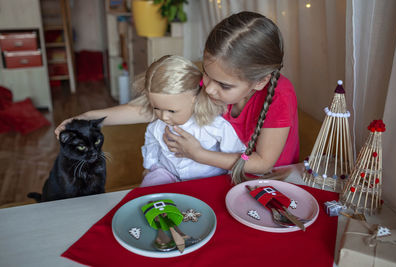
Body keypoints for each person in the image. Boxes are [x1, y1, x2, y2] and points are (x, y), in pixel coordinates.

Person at [55, 11, 299, 185]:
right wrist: (88, 117)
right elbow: (149, 109)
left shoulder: (280, 96)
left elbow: (263, 163)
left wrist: (198, 154)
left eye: (224, 85)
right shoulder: (214, 82)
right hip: (226, 179)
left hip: (271, 181)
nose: (209, 89)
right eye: (206, 73)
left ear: (260, 81)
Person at [134, 55, 245, 186]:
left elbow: (235, 152)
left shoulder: (215, 125)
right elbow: (151, 142)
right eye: (157, 108)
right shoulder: (158, 126)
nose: (163, 117)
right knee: (149, 189)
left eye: (171, 111)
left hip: (206, 178)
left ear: (194, 99)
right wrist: (149, 166)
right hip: (167, 172)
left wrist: (231, 177)